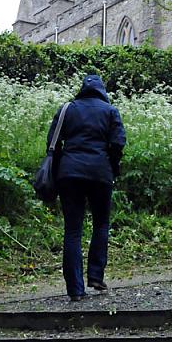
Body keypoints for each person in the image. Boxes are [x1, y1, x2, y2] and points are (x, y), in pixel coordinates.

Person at [47, 74, 126, 301]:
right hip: (100, 174)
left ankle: (75, 290)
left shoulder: (67, 109)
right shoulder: (110, 111)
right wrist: (111, 165)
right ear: (102, 90)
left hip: (69, 174)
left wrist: (62, 169)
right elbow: (118, 143)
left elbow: (52, 143)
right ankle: (95, 275)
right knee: (101, 223)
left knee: (73, 230)